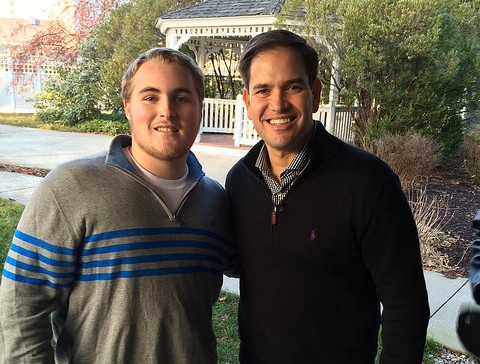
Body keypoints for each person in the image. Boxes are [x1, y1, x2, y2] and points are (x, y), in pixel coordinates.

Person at [0, 47, 235, 364]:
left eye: (182, 97)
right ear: (127, 106)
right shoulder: (70, 187)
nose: (167, 110)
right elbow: (20, 306)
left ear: (199, 107)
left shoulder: (217, 202)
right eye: (150, 97)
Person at [225, 29, 430, 363]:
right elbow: (242, 262)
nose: (277, 104)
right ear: (248, 102)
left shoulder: (369, 183)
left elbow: (406, 302)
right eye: (263, 90)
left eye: (293, 86)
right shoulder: (239, 181)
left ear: (315, 93)